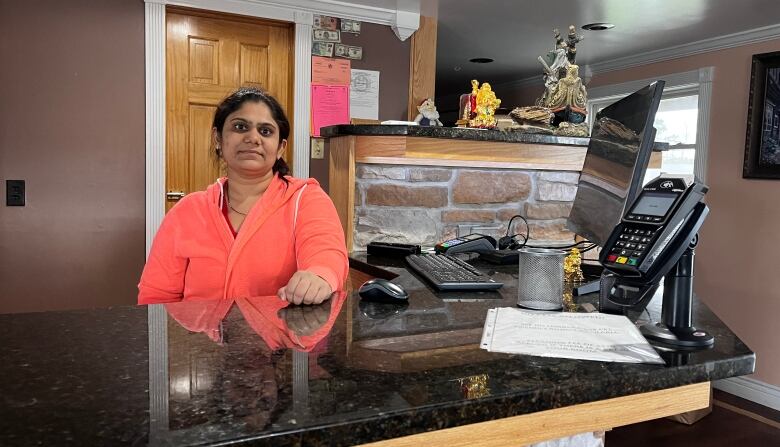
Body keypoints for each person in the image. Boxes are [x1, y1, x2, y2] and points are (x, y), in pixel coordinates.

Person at [138, 87, 348, 306]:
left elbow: (327, 254)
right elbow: (156, 296)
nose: (253, 138)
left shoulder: (306, 200)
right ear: (218, 137)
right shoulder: (187, 211)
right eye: (240, 127)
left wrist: (319, 276)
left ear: (280, 148)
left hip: (279, 339)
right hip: (196, 339)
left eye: (266, 131)